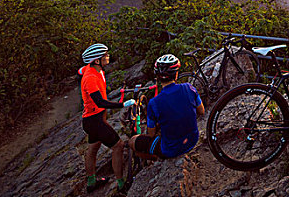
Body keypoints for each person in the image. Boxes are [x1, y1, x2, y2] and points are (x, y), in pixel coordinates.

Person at [80, 43, 135, 193]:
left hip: (93, 119)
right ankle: (121, 184)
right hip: (94, 121)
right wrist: (123, 104)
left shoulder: (94, 69)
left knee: (93, 148)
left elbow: (81, 69)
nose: (108, 56)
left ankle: (91, 182)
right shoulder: (90, 78)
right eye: (104, 55)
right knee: (118, 146)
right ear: (97, 60)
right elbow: (100, 102)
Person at [129, 54, 205, 161]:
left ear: (157, 77)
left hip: (172, 149)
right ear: (176, 74)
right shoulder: (189, 88)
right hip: (192, 140)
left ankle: (157, 159)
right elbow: (201, 111)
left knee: (132, 141)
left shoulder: (154, 103)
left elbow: (151, 134)